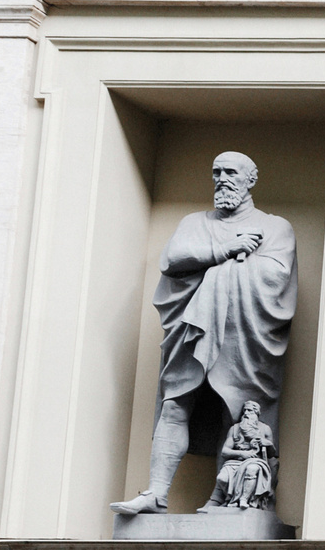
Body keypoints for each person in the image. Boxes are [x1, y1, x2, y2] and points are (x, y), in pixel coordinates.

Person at [111, 151, 297, 516]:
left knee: (238, 412)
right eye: (216, 172)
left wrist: (216, 274)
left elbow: (276, 275)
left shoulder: (276, 227)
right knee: (175, 404)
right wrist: (227, 252)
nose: (222, 178)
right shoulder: (195, 222)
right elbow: (173, 259)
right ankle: (155, 494)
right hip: (192, 331)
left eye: (231, 172)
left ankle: (228, 500)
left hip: (243, 334)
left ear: (250, 179)